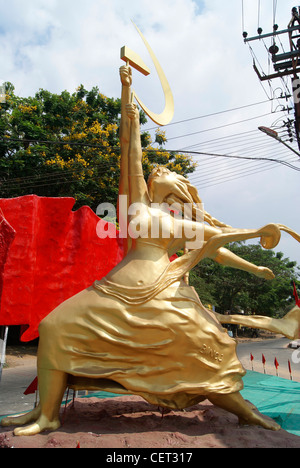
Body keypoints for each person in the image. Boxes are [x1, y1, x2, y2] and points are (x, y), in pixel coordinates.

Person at [2, 66, 300, 436]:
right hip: (113, 293)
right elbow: (131, 154)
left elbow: (217, 242)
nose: (157, 171)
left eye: (166, 172)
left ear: (177, 189)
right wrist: (128, 97)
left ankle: (246, 412)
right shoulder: (136, 205)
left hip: (162, 297)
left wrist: (257, 239)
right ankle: (46, 415)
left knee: (204, 354)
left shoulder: (181, 225)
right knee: (54, 326)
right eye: (154, 170)